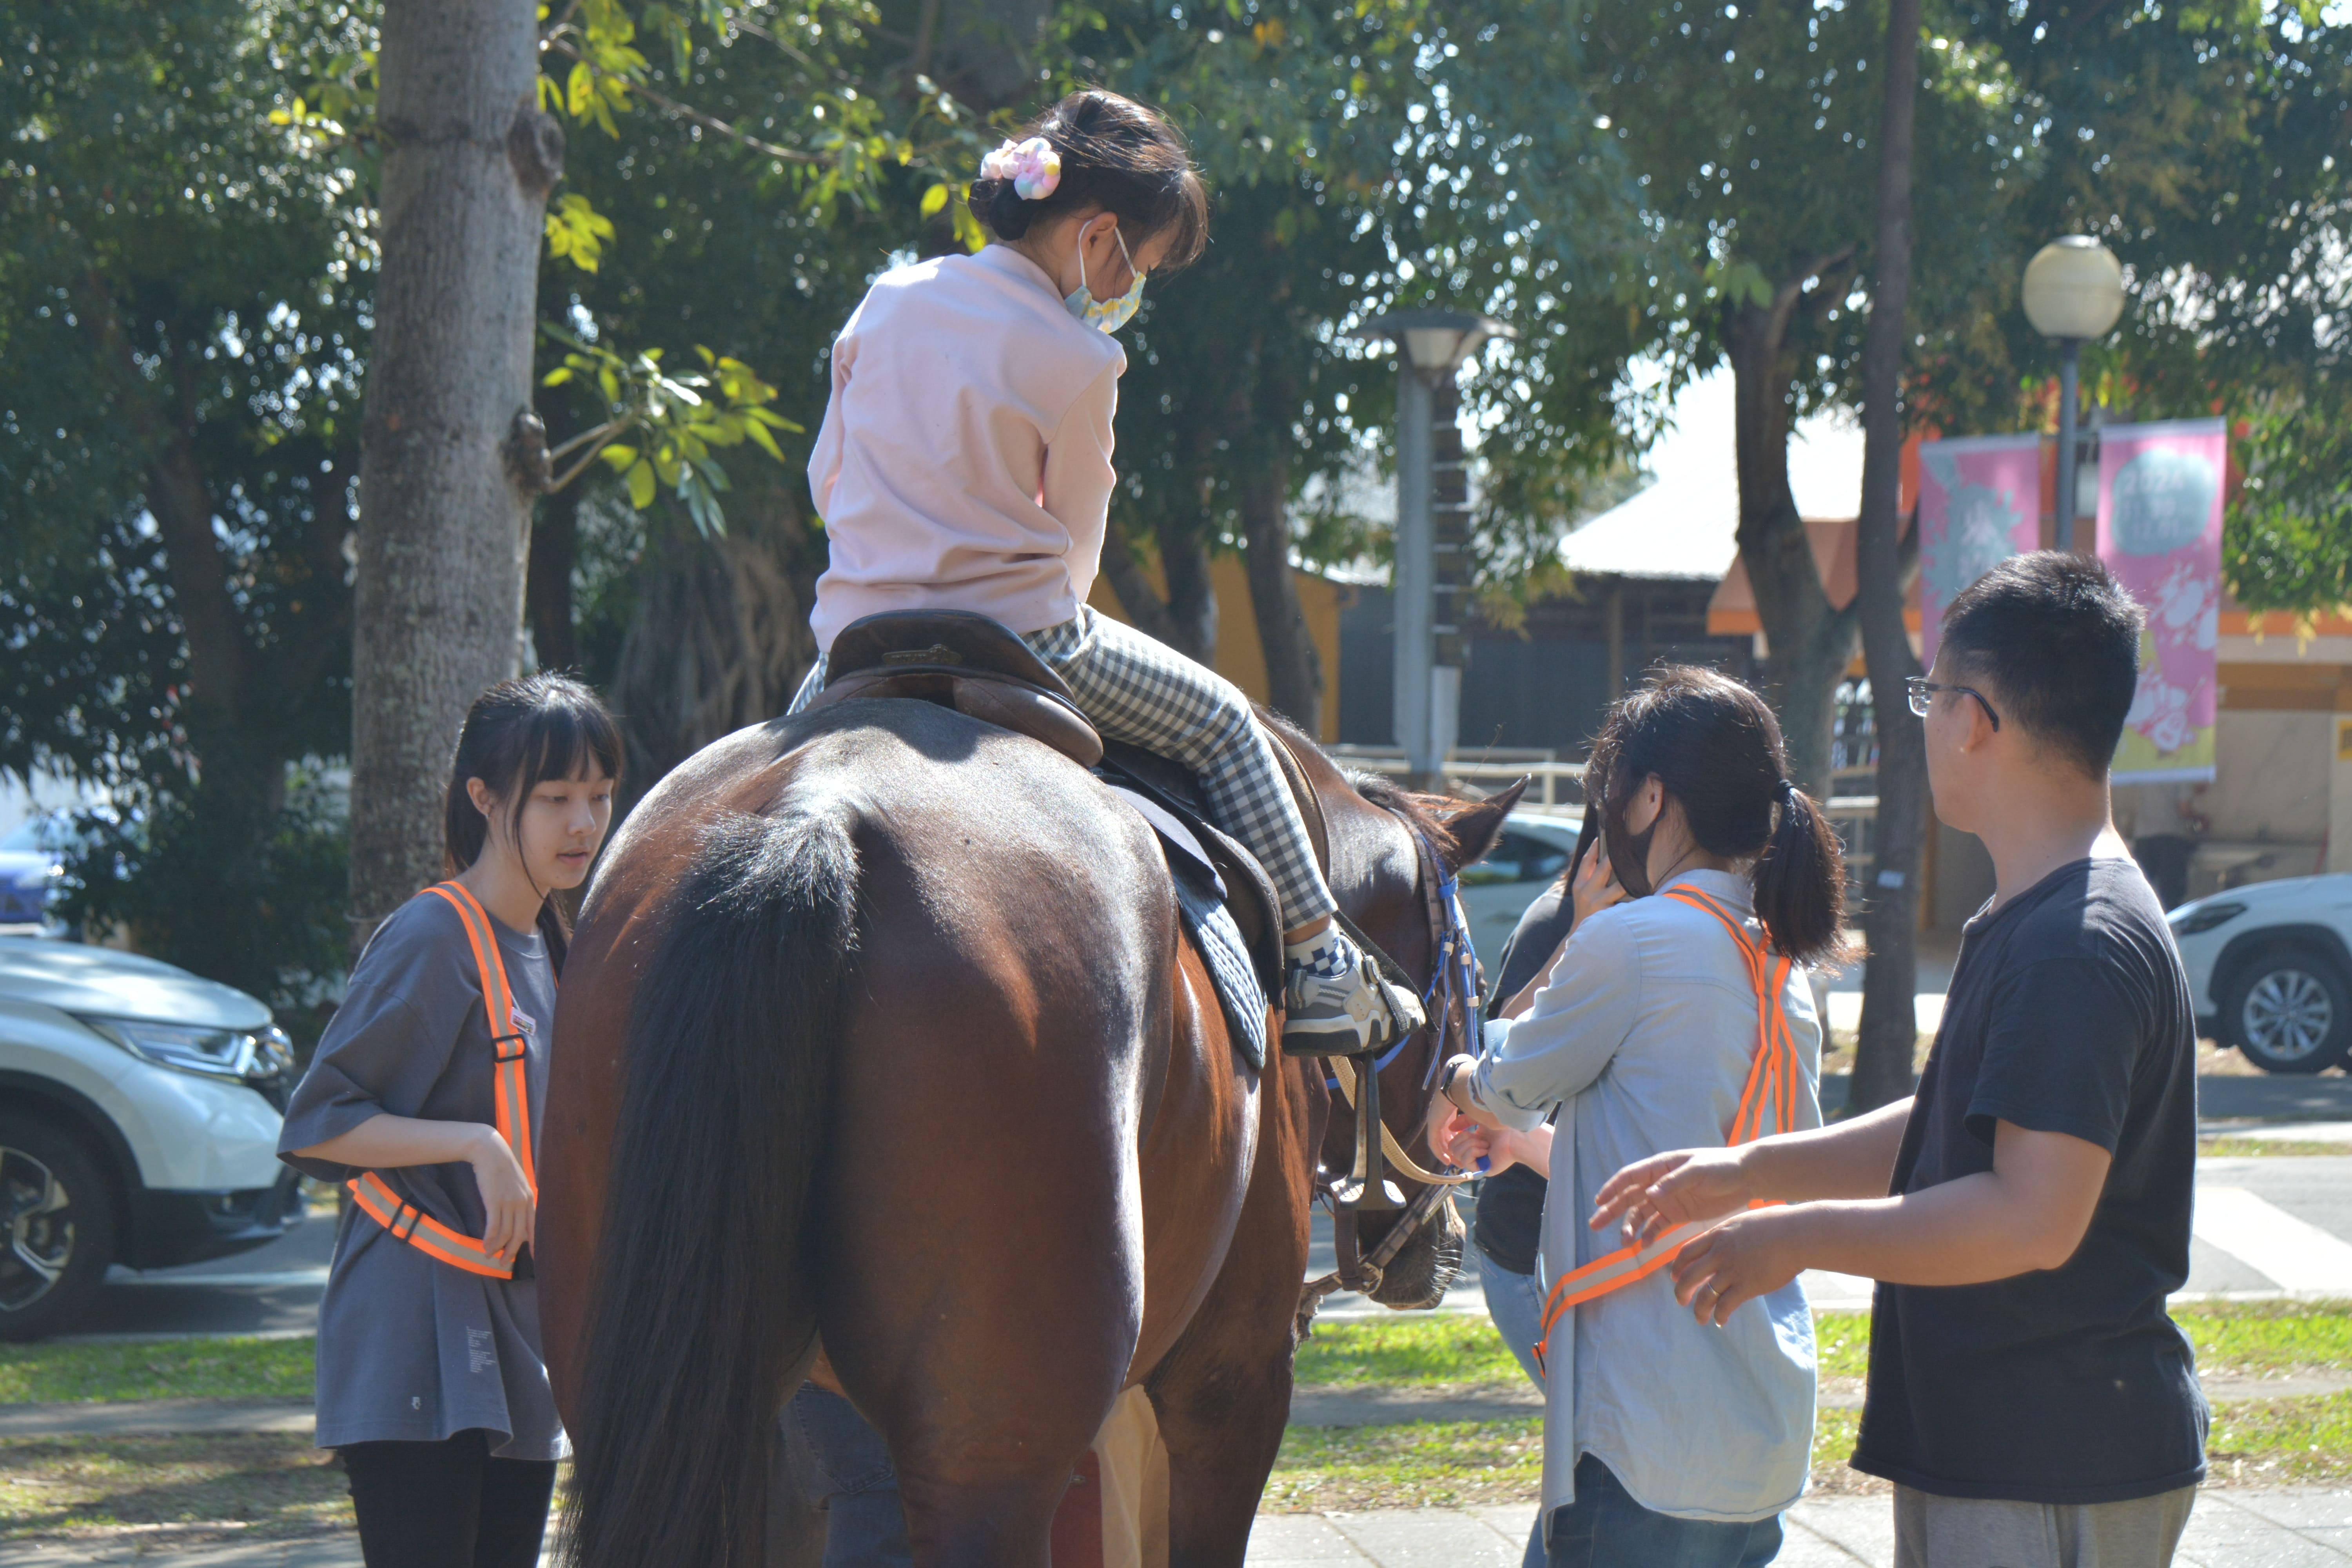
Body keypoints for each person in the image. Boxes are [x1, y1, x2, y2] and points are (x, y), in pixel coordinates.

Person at [1592, 552, 2208, 1568]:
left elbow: (2029, 1218)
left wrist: (1791, 1239)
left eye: (1930, 693)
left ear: (1974, 718)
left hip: (2052, 1459)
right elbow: (1947, 1123)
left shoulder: (2076, 939)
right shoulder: (2037, 911)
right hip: (2009, 1449)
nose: (1922, 722)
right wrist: (1751, 1175)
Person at [783, 87, 1417, 1055]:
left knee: (771, 762)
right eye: (1143, 263)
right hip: (1021, 635)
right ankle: (1324, 960)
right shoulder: (1081, 354)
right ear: (1098, 234)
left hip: (854, 636)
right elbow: (1078, 543)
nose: (1133, 284)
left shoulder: (889, 298)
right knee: (1226, 724)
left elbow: (827, 474)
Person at [1432, 666, 1850, 1566]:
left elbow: (1503, 1078)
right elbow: (1680, 1177)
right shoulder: (1782, 968)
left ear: (1653, 795)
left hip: (1646, 1436)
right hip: (1755, 1434)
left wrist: (1458, 1070)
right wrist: (1523, 1142)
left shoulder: (1637, 939)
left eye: (1612, 789)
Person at [279, 675, 621, 1568]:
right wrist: (475, 1143)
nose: (583, 822)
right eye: (554, 798)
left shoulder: (557, 946)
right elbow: (318, 1120)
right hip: (412, 1341)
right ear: (484, 796)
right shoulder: (435, 935)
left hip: (517, 1344)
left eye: (598, 794)